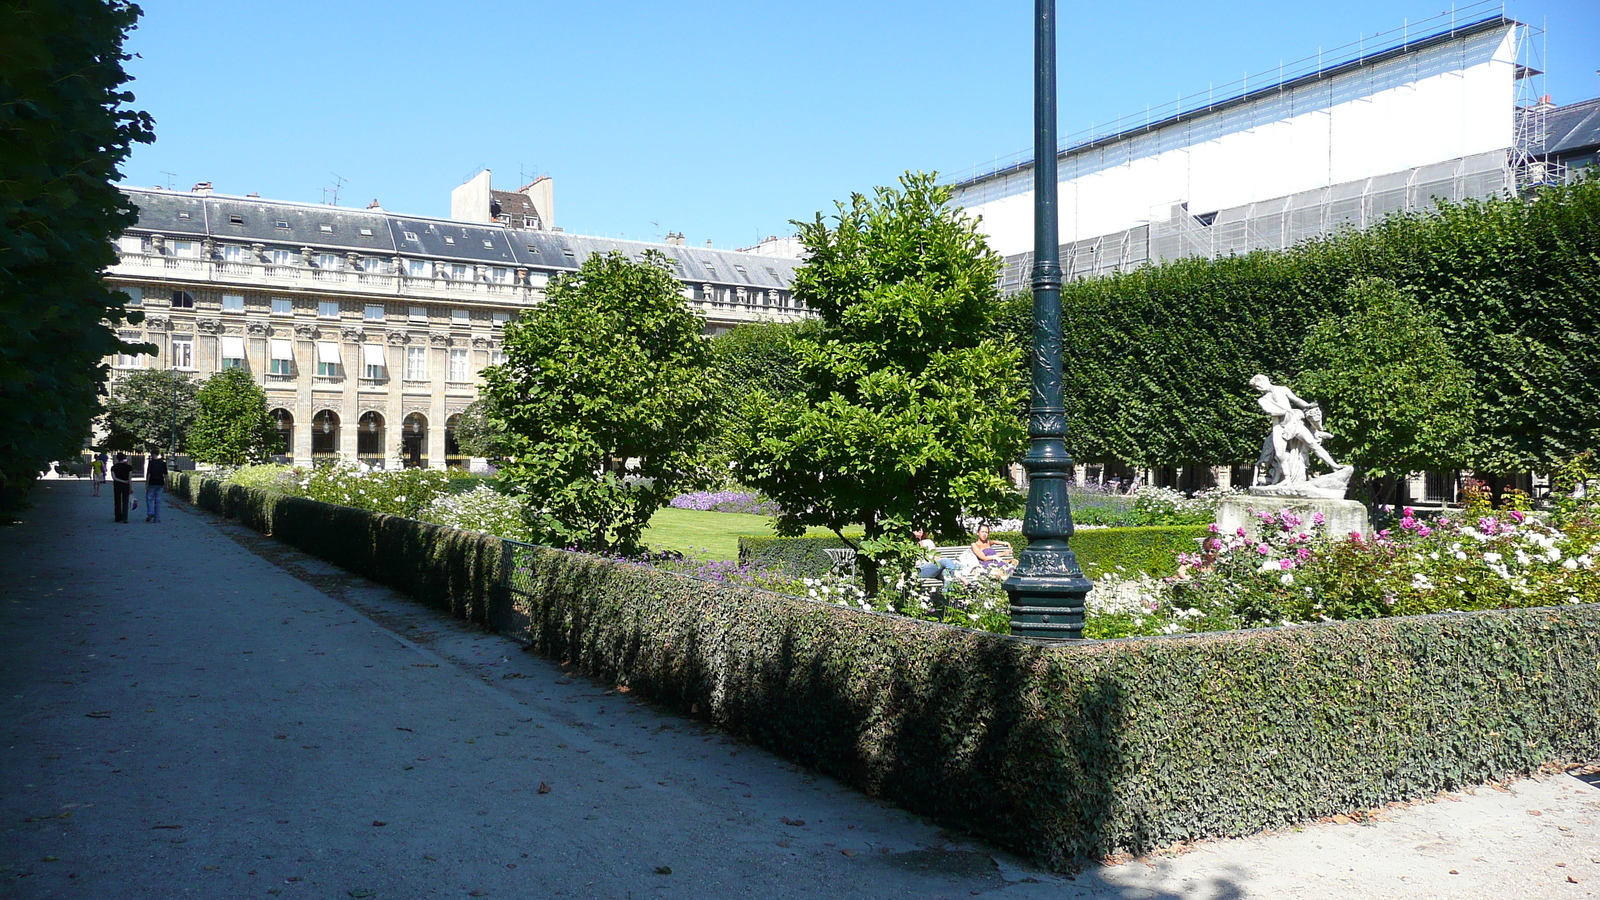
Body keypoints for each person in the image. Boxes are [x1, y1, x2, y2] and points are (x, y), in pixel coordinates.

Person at [144, 450, 168, 523]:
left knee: (149, 498)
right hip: (160, 482)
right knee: (158, 501)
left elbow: (149, 474)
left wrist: (146, 483)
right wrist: (166, 484)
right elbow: (166, 475)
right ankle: (157, 518)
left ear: (152, 455)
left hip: (152, 482)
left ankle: (150, 512)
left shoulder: (151, 463)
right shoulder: (163, 463)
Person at [109, 453, 133, 523]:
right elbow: (130, 478)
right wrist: (130, 487)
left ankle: (118, 517)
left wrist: (122, 481)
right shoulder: (129, 467)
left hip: (117, 486)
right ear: (124, 458)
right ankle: (125, 517)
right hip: (126, 486)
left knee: (117, 501)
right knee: (125, 502)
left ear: (117, 458)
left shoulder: (114, 467)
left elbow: (114, 478)